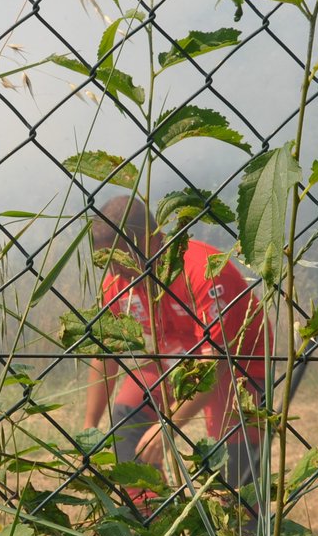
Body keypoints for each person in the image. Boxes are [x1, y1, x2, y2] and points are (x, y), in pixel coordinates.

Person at [82, 195, 270, 508]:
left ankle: (244, 535)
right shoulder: (117, 281)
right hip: (168, 362)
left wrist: (168, 425)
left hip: (236, 368)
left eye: (117, 258)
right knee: (126, 425)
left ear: (149, 240)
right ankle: (152, 518)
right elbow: (106, 353)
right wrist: (89, 427)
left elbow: (216, 363)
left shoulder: (205, 270)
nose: (112, 270)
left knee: (234, 471)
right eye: (105, 262)